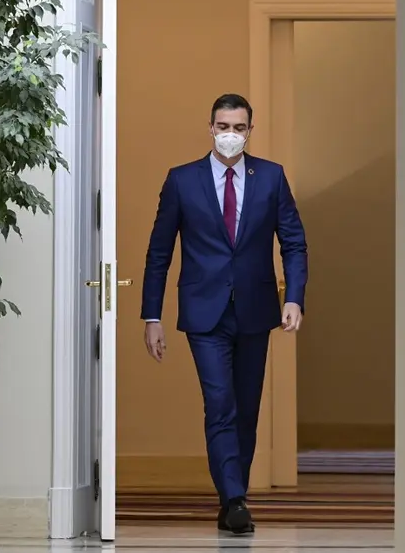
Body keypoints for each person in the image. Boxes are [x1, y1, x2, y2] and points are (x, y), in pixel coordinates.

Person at [140, 93, 308, 534]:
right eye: (223, 126)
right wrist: (152, 316)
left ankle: (233, 494)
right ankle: (234, 500)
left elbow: (293, 242)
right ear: (210, 128)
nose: (230, 134)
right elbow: (159, 253)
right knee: (220, 404)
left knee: (246, 408)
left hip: (255, 309)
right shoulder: (182, 180)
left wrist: (294, 297)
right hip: (204, 313)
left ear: (250, 131)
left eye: (239, 127)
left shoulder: (271, 177)